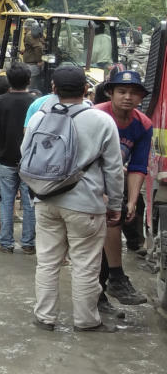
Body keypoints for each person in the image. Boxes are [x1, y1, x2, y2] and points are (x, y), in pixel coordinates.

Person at [23, 66, 124, 332]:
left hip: (45, 201)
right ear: (86, 90)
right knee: (85, 266)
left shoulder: (39, 118)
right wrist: (115, 205)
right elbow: (114, 169)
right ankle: (86, 321)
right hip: (85, 205)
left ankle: (44, 318)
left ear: (53, 88)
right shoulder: (101, 121)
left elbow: (26, 156)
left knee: (46, 262)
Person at [93, 70, 151, 309]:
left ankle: (103, 291)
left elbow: (138, 166)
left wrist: (132, 201)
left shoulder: (143, 125)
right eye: (122, 91)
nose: (127, 97)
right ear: (110, 93)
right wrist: (99, 191)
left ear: (140, 98)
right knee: (96, 240)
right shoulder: (95, 116)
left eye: (133, 93)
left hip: (115, 181)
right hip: (86, 181)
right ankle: (107, 285)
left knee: (113, 227)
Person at [0, 62, 36, 254]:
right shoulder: (35, 101)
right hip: (30, 161)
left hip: (5, 160)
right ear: (29, 80)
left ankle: (5, 243)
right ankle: (28, 243)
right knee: (29, 203)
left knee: (6, 201)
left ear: (8, 81)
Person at [23, 22, 45, 92]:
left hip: (33, 64)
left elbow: (38, 47)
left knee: (30, 87)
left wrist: (39, 60)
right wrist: (26, 50)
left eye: (25, 28)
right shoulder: (36, 33)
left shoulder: (30, 34)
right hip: (33, 64)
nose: (24, 29)